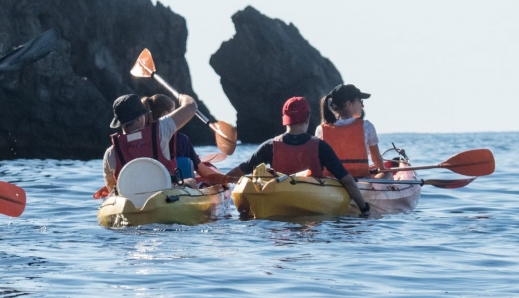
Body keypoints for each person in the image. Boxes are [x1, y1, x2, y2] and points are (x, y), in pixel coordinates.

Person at [225, 96, 370, 215]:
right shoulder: (320, 146)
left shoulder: (269, 146)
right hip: (309, 199)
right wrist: (364, 208)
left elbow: (240, 171)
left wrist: (219, 183)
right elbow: (347, 180)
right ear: (307, 119)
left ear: (284, 119)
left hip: (276, 199)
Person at [102, 93, 197, 193]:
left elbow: (111, 187)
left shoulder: (110, 153)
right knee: (191, 182)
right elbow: (191, 106)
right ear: (139, 118)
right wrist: (181, 97)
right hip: (165, 197)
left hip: (131, 202)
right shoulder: (161, 129)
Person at [143, 94, 223, 186]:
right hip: (174, 189)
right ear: (166, 115)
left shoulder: (140, 139)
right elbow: (204, 172)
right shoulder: (181, 140)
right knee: (191, 175)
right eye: (174, 111)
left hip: (149, 187)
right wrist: (225, 179)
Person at [316, 84, 385, 177]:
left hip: (332, 183)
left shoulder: (321, 129)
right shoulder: (367, 126)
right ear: (348, 104)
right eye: (360, 101)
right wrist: (383, 172)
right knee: (385, 174)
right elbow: (377, 161)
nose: (363, 105)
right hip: (361, 180)